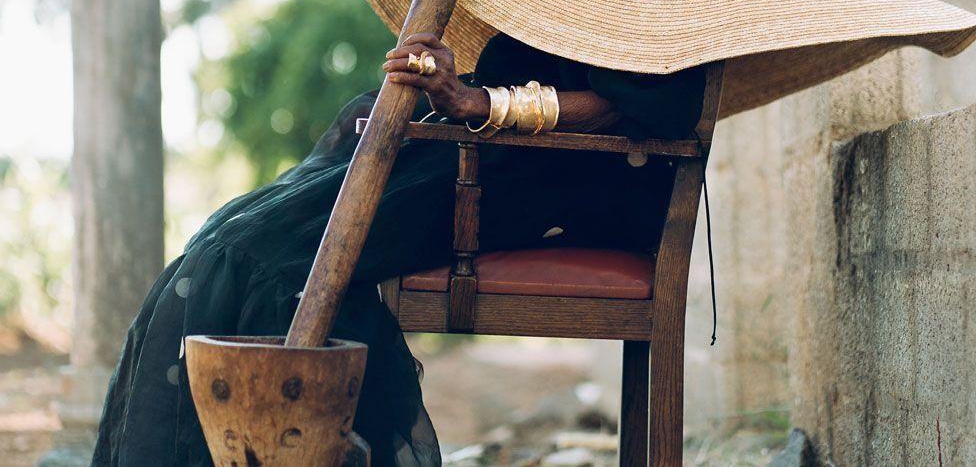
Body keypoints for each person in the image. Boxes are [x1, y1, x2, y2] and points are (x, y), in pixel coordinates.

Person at [92, 31, 706, 466]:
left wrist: (480, 103)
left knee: (262, 259)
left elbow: (637, 108)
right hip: (475, 152)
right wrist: (446, 84)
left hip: (535, 183)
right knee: (228, 236)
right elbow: (495, 89)